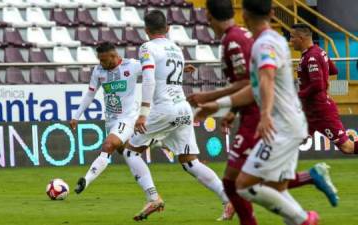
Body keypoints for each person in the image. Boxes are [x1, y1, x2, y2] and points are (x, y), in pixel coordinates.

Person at [188, 0, 338, 224]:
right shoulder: (274, 39)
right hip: (290, 121)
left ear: (244, 15)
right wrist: (216, 104)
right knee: (274, 186)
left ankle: (305, 219)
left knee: (244, 184)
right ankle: (304, 212)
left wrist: (265, 114)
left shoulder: (262, 44)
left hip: (282, 125)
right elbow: (254, 88)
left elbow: (265, 77)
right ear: (272, 13)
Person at [122, 9, 234, 221]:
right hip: (183, 107)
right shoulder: (176, 48)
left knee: (130, 152)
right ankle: (228, 199)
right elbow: (168, 75)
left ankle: (153, 197)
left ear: (146, 30)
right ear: (168, 28)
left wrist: (143, 113)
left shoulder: (147, 48)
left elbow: (149, 80)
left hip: (164, 109)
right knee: (190, 162)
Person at [70, 42, 149, 194]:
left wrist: (182, 70)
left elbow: (153, 70)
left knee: (108, 145)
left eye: (103, 60)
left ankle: (86, 181)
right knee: (128, 153)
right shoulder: (98, 71)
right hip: (111, 121)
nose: (101, 63)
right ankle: (150, 191)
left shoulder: (131, 66)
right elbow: (90, 94)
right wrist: (76, 116)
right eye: (99, 59)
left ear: (114, 56)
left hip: (128, 117)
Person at [290, 23, 358, 155]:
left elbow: (317, 85)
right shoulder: (319, 51)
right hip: (309, 110)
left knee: (347, 147)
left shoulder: (311, 57)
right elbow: (333, 70)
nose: (290, 41)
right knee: (290, 141)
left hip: (320, 111)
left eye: (292, 37)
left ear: (301, 38)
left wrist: (298, 94)